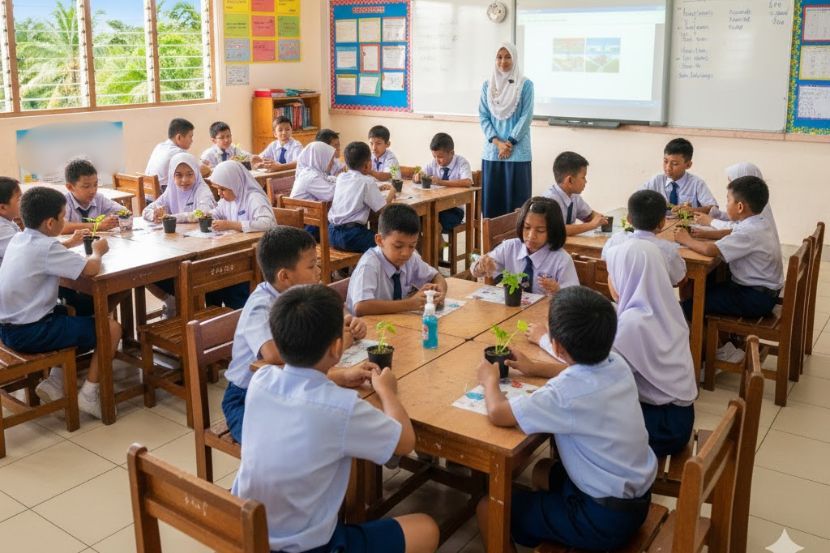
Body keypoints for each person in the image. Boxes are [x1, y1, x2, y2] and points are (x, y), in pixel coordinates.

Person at [232, 284, 440, 553]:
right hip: (304, 548)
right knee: (427, 528)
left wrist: (338, 375)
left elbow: (296, 379)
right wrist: (388, 392)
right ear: (337, 347)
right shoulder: (342, 408)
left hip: (245, 531)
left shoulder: (261, 380)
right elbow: (405, 443)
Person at [475, 286, 656, 551]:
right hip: (636, 501)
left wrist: (489, 381)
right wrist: (535, 368)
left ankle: (555, 526)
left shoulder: (564, 395)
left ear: (557, 346)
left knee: (487, 507)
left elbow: (499, 413)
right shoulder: (617, 363)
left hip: (601, 519)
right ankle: (547, 524)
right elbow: (577, 375)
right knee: (541, 470)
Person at [222, 227, 369, 443]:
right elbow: (273, 355)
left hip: (290, 387)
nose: (319, 271)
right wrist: (334, 343)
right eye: (311, 266)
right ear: (285, 276)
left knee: (330, 424)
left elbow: (339, 308)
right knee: (274, 443)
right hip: (248, 397)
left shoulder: (305, 291)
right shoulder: (261, 306)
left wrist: (349, 321)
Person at [0, 187, 122, 419]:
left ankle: (56, 381)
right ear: (50, 223)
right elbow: (91, 269)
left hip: (7, 328)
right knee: (111, 328)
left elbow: (46, 255)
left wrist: (69, 244)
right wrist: (97, 251)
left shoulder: (20, 237)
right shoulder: (47, 247)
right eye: (63, 216)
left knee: (73, 310)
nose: (65, 220)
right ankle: (89, 394)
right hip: (29, 333)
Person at [606, 240, 697, 457]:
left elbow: (600, 375)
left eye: (612, 273)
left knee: (583, 418)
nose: (611, 280)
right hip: (679, 417)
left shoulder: (634, 323)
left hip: (663, 425)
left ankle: (566, 479)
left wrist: (545, 343)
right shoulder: (665, 306)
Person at [675, 175, 783, 319]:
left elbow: (709, 250)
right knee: (705, 286)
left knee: (689, 305)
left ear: (740, 207)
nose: (726, 205)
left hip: (754, 298)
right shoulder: (760, 222)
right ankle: (712, 338)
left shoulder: (748, 232)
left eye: (728, 200)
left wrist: (686, 239)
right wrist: (706, 234)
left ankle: (697, 338)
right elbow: (732, 231)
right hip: (762, 291)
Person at [346, 204, 447, 316]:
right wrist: (410, 303)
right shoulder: (369, 265)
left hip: (394, 324)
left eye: (412, 245)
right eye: (398, 246)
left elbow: (435, 276)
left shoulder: (411, 258)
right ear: (380, 240)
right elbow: (360, 307)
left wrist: (439, 291)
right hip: (366, 329)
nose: (406, 253)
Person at [471, 197, 578, 296]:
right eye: (527, 227)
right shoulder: (510, 247)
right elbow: (475, 271)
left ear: (552, 231)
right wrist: (481, 266)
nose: (531, 236)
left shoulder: (562, 260)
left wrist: (558, 290)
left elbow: (573, 297)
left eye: (540, 230)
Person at [479, 42, 534, 218]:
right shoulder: (488, 86)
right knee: (492, 208)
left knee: (517, 210)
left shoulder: (525, 85)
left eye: (508, 56)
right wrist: (497, 143)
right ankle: (492, 245)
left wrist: (508, 143)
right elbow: (483, 116)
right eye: (499, 57)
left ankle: (517, 245)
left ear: (515, 58)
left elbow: (526, 117)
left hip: (517, 154)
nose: (503, 61)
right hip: (493, 153)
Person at [602, 190, 687, 286]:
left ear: (629, 219)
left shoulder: (614, 241)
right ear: (662, 222)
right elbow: (679, 279)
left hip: (622, 300)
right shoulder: (668, 250)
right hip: (656, 301)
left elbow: (607, 265)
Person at [328, 141, 395, 253]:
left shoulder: (341, 177)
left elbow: (354, 189)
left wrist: (376, 189)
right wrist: (392, 191)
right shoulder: (367, 182)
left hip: (331, 233)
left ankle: (346, 270)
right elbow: (384, 210)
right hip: (351, 236)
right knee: (389, 244)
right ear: (367, 165)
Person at [693, 162, 779, 242]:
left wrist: (711, 221)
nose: (730, 185)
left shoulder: (756, 219)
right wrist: (717, 214)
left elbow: (736, 229)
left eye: (731, 181)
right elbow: (739, 221)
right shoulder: (757, 206)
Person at [413, 132, 474, 233]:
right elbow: (421, 173)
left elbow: (467, 182)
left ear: (452, 153)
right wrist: (417, 177)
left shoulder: (462, 162)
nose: (437, 160)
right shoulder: (433, 163)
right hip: (434, 208)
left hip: (454, 210)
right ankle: (431, 246)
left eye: (440, 157)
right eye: (434, 156)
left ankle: (437, 246)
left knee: (433, 223)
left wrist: (441, 182)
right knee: (416, 219)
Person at [642, 138, 717, 213]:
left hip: (686, 224)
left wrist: (692, 210)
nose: (668, 167)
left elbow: (714, 208)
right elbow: (637, 200)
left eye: (675, 164)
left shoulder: (696, 183)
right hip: (661, 223)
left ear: (688, 165)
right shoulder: (656, 180)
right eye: (665, 161)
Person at [543, 151, 607, 236]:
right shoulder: (550, 200)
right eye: (583, 177)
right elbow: (557, 230)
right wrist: (591, 225)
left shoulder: (574, 196)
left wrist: (601, 219)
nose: (586, 181)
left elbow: (589, 215)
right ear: (570, 180)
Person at [142, 153, 217, 223]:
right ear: (172, 176)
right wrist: (155, 215)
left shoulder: (202, 190)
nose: (184, 180)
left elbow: (203, 213)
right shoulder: (171, 191)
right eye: (179, 175)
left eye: (189, 174)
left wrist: (171, 218)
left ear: (196, 174)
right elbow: (146, 211)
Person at [209, 161, 277, 233]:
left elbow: (269, 223)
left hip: (257, 242)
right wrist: (206, 216)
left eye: (222, 189)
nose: (219, 193)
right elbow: (217, 212)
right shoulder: (227, 200)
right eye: (217, 189)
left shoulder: (254, 198)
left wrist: (230, 225)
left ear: (235, 184)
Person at [61, 159, 122, 235]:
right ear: (70, 187)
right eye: (86, 186)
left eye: (95, 184)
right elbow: (60, 227)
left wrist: (113, 220)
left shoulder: (99, 199)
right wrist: (97, 226)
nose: (92, 191)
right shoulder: (63, 202)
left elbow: (124, 212)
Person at [145, 118, 207, 191]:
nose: (191, 140)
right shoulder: (178, 153)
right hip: (163, 197)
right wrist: (209, 169)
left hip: (149, 196)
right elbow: (201, 170)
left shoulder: (159, 146)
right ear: (179, 137)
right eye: (190, 136)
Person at [0, 177, 22, 265]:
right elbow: (25, 254)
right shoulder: (2, 228)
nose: (24, 202)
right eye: (19, 199)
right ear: (2, 208)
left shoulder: (8, 220)